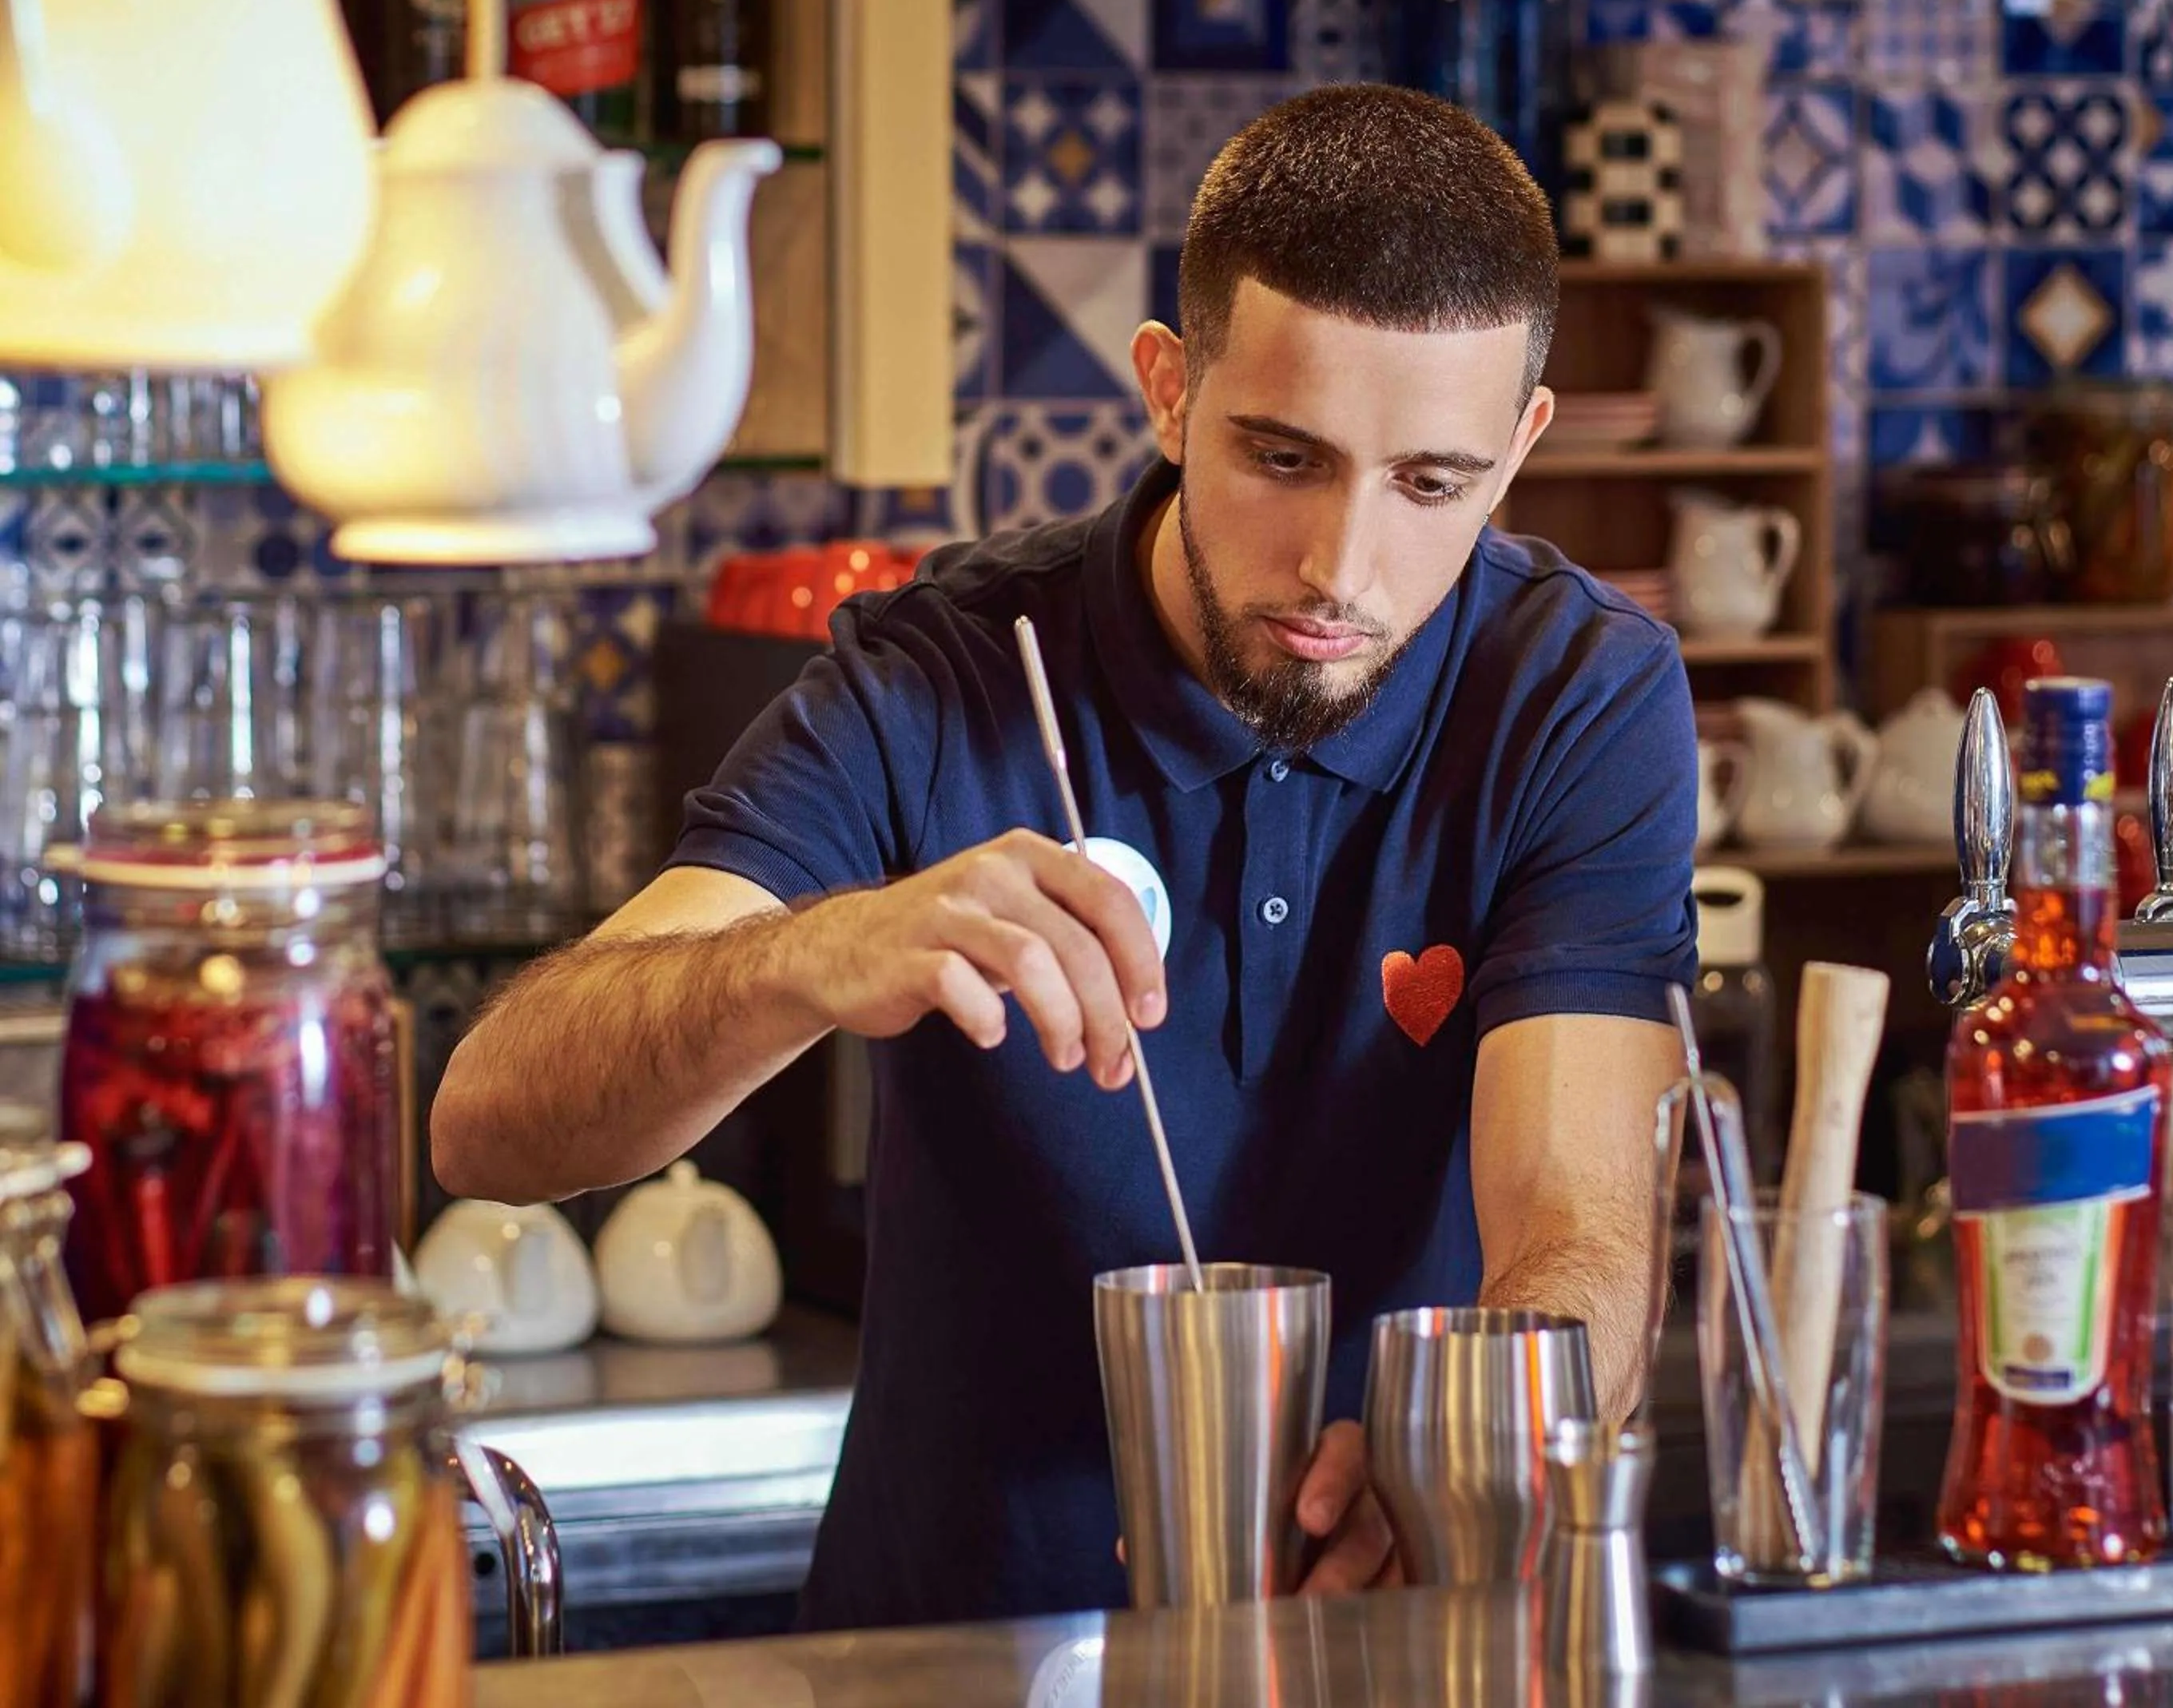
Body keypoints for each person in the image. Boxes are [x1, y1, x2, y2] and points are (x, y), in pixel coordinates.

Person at [431, 84, 1697, 1631]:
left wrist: (1467, 1455)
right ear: (1168, 391)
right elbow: (489, 1120)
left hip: (1381, 1646)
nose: (1342, 569)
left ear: (1520, 447)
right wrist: (817, 951)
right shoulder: (940, 677)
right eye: (1283, 458)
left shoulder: (1578, 697)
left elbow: (1579, 1225)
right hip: (945, 1661)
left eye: (1432, 484)